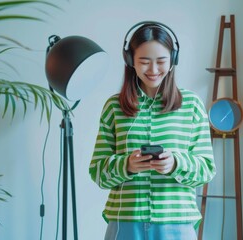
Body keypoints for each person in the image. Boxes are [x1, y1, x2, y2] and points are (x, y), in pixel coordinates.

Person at [89, 21, 216, 240]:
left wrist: (175, 163)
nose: (154, 70)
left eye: (161, 61)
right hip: (125, 224)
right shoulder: (114, 107)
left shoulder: (192, 105)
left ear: (173, 61)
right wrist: (126, 165)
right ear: (130, 61)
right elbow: (98, 173)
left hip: (177, 225)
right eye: (144, 62)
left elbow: (206, 171)